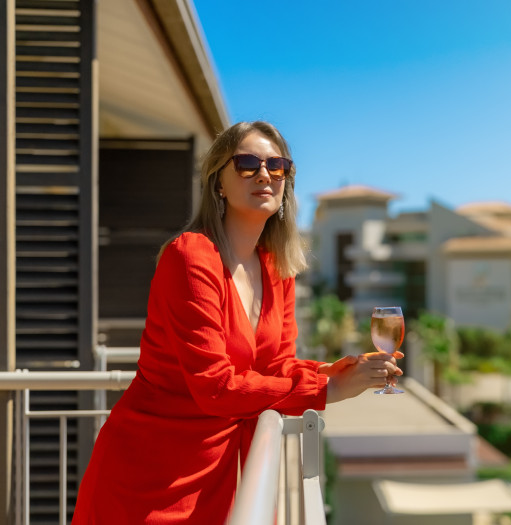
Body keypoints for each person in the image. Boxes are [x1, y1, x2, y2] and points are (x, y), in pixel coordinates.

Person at [72, 121, 402, 524]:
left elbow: (275, 367)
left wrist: (331, 370)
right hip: (151, 471)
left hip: (219, 469)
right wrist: (327, 389)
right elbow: (214, 386)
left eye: (277, 166)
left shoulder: (277, 268)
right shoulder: (190, 257)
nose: (264, 174)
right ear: (219, 184)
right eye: (247, 164)